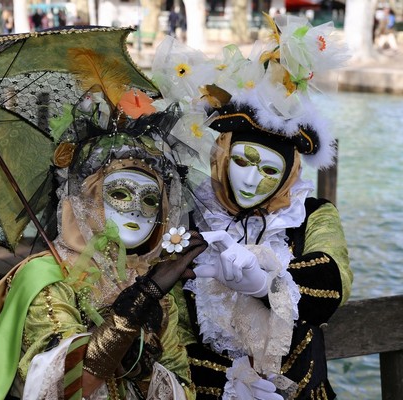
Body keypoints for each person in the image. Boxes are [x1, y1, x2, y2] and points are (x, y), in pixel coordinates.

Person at [0, 58, 212, 399]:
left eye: (149, 199)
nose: (135, 209)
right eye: (119, 193)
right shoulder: (47, 279)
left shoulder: (150, 280)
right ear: (89, 200)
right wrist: (137, 304)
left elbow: (183, 390)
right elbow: (67, 387)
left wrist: (143, 365)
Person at [151, 14, 353, 399]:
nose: (250, 179)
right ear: (223, 157)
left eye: (269, 169)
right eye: (242, 161)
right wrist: (227, 384)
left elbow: (334, 282)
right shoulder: (189, 218)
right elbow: (173, 325)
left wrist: (266, 283)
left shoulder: (312, 214)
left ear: (288, 174)